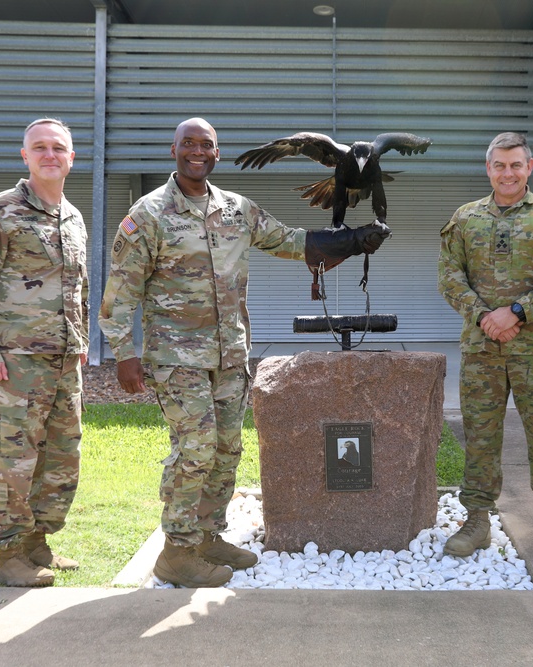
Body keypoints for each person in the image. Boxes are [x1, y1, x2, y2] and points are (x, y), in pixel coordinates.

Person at [99, 118, 390, 588]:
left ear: (216, 153)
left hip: (230, 354)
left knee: (227, 449)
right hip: (176, 357)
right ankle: (176, 550)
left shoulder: (236, 209)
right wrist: (123, 354)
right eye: (188, 144)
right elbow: (120, 291)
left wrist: (353, 241)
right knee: (194, 448)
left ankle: (207, 536)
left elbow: (290, 241)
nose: (198, 151)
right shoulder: (148, 214)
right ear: (174, 150)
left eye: (207, 145)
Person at [0, 118, 87, 587]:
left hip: (63, 364)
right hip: (11, 364)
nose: (51, 154)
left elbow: (77, 289)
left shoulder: (72, 216)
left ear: (72, 157)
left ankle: (37, 544)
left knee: (59, 459)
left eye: (59, 148)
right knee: (9, 460)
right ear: (23, 156)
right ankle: (8, 556)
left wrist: (80, 341)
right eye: (40, 147)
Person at [437, 132, 533, 563]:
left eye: (516, 165)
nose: (507, 173)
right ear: (488, 169)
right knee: (480, 437)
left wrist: (517, 312)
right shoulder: (465, 219)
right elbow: (449, 278)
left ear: (529, 168)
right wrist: (486, 316)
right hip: (483, 350)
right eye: (499, 165)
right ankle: (477, 521)